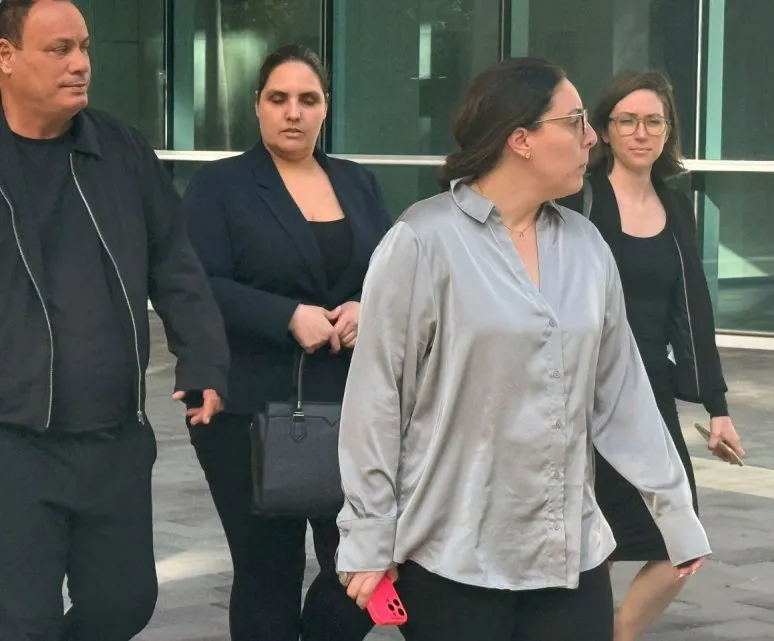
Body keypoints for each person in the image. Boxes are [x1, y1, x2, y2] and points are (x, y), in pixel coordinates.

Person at [334, 57, 711, 641]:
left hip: (570, 553)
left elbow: (622, 396)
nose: (592, 137)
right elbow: (376, 400)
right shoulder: (422, 241)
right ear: (521, 139)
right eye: (575, 121)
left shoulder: (587, 247)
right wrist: (367, 534)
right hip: (452, 554)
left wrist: (675, 511)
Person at [0, 1, 229, 639]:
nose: (80, 64)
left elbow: (175, 262)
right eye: (59, 49)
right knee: (23, 621)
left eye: (85, 47)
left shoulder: (120, 149)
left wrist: (204, 358)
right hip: (14, 445)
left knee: (124, 605)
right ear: (5, 56)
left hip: (115, 438)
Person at [182, 44, 389, 641]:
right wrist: (285, 315)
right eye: (278, 98)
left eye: (307, 99)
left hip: (350, 406)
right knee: (267, 571)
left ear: (326, 108)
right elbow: (196, 284)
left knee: (360, 567)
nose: (292, 112)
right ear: (257, 106)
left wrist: (366, 305)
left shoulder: (358, 182)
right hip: (249, 407)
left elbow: (392, 271)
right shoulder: (219, 185)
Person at [558, 70, 745, 641]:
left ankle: (614, 634)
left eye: (654, 122)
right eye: (628, 121)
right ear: (604, 130)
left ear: (668, 131)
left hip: (649, 396)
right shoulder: (578, 200)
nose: (641, 133)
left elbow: (692, 308)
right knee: (588, 538)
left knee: (679, 540)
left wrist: (716, 406)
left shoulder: (675, 205)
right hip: (580, 391)